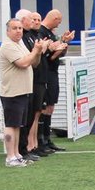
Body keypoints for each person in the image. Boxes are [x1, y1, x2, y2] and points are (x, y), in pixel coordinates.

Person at [0, 17, 49, 167]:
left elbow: (34, 62)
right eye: (14, 28)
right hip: (12, 92)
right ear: (7, 31)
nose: (18, 31)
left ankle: (16, 154)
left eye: (20, 28)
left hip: (23, 91)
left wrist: (38, 52)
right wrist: (36, 51)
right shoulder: (8, 46)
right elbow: (24, 63)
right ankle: (10, 157)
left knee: (18, 125)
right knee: (11, 124)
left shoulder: (19, 44)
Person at [38, 9, 72, 148]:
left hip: (52, 72)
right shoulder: (42, 33)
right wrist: (60, 45)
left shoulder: (50, 33)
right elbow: (49, 56)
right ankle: (42, 140)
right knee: (45, 107)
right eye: (59, 21)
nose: (59, 25)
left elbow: (57, 55)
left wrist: (63, 42)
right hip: (45, 74)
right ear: (54, 18)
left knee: (50, 105)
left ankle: (47, 139)